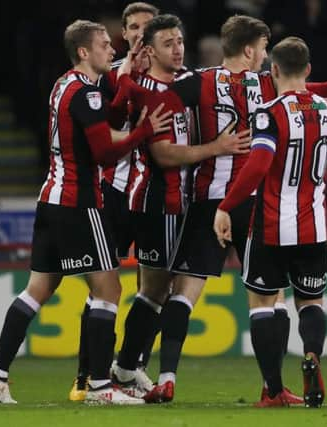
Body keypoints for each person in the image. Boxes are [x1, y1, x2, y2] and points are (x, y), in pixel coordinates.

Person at [142, 14, 327, 405]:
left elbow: (157, 97)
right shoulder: (269, 85)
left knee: (184, 294)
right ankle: (278, 383)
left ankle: (166, 377)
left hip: (210, 199)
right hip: (260, 205)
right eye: (264, 47)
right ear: (253, 51)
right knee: (280, 299)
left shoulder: (198, 81)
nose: (266, 55)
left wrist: (150, 115)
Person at [0, 19, 172, 405]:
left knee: (39, 288)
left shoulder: (66, 84)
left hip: (50, 198)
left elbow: (103, 120)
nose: (111, 49)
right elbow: (103, 149)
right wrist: (144, 132)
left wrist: (125, 81)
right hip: (79, 203)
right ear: (84, 51)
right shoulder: (87, 94)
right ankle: (100, 387)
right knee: (110, 288)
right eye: (104, 45)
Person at [108, 13, 250, 400]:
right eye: (169, 43)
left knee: (164, 290)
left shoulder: (190, 81)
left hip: (189, 202)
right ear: (150, 51)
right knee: (155, 289)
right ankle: (124, 367)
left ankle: (128, 365)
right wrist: (216, 149)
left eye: (180, 41)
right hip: (159, 200)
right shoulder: (152, 92)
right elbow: (164, 154)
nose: (178, 48)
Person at [214, 36, 327, 408]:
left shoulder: (268, 112)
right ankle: (312, 356)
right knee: (310, 301)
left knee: (261, 302)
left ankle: (273, 389)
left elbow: (257, 164)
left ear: (273, 70)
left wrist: (226, 205)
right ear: (308, 70)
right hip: (314, 225)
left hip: (271, 224)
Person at [69, 2, 160, 402]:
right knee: (103, 285)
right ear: (125, 32)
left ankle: (130, 366)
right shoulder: (110, 75)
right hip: (117, 193)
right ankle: (86, 376)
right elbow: (107, 130)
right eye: (134, 27)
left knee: (155, 286)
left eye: (148, 27)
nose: (141, 34)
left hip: (157, 196)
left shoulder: (174, 78)